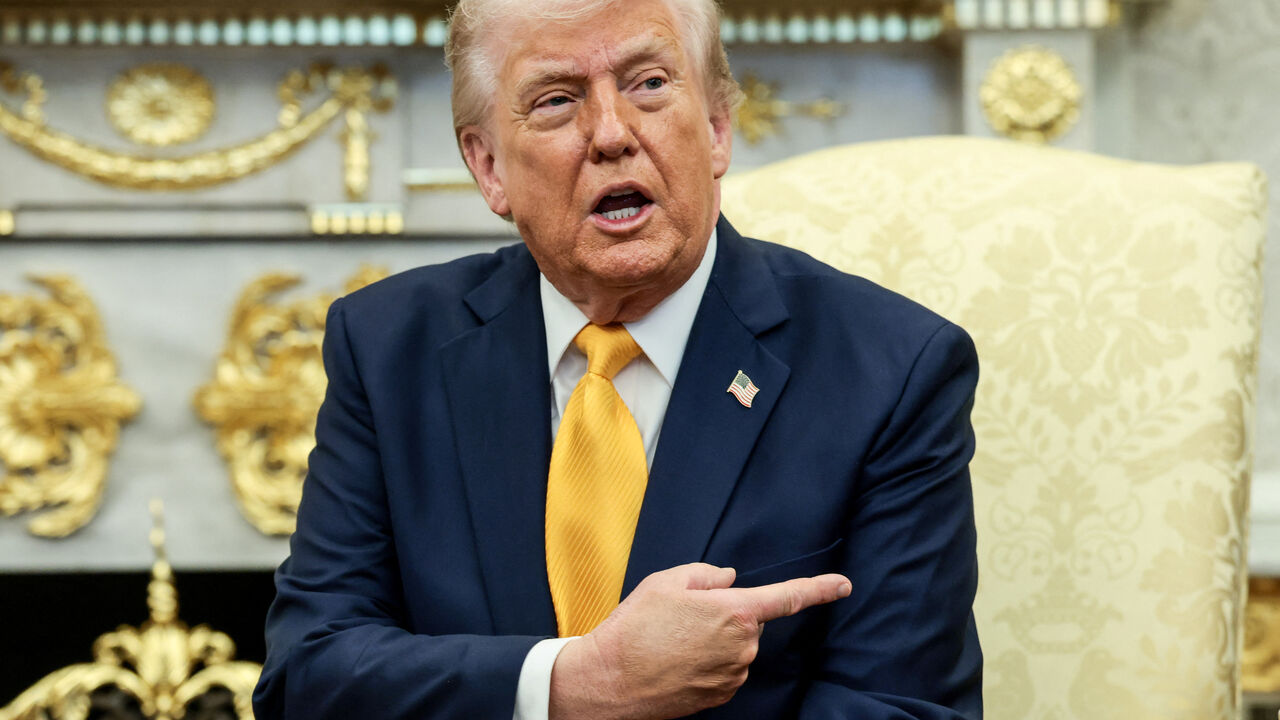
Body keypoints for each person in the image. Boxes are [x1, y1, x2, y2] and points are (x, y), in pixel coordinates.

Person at [253, 0, 983, 717]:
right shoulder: (388, 348)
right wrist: (570, 684)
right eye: (555, 99)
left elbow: (901, 707)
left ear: (718, 125)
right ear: (488, 168)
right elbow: (307, 677)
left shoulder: (891, 369)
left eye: (650, 84)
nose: (611, 134)